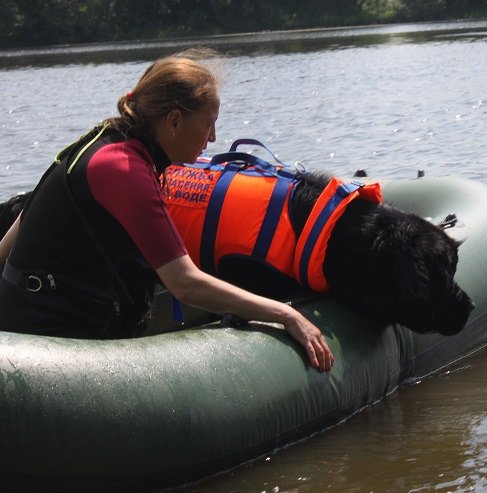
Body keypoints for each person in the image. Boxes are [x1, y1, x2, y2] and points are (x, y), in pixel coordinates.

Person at [0, 48, 334, 372]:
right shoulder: (124, 169)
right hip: (46, 334)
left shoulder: (107, 140)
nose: (213, 137)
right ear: (174, 121)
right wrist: (286, 314)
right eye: (209, 124)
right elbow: (184, 283)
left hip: (32, 311)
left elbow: (23, 221)